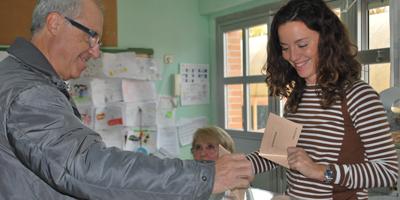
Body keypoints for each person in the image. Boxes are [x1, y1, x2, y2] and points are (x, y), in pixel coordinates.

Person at [0, 0, 253, 199]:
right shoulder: (30, 93)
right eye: (91, 35)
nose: (95, 51)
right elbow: (86, 167)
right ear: (54, 23)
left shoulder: (15, 77)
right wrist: (205, 177)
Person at [246, 0, 399, 199]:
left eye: (302, 44)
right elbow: (278, 153)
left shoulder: (358, 96)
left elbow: (388, 171)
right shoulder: (295, 97)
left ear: (327, 40)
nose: (293, 56)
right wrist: (240, 165)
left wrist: (321, 171)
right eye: (284, 48)